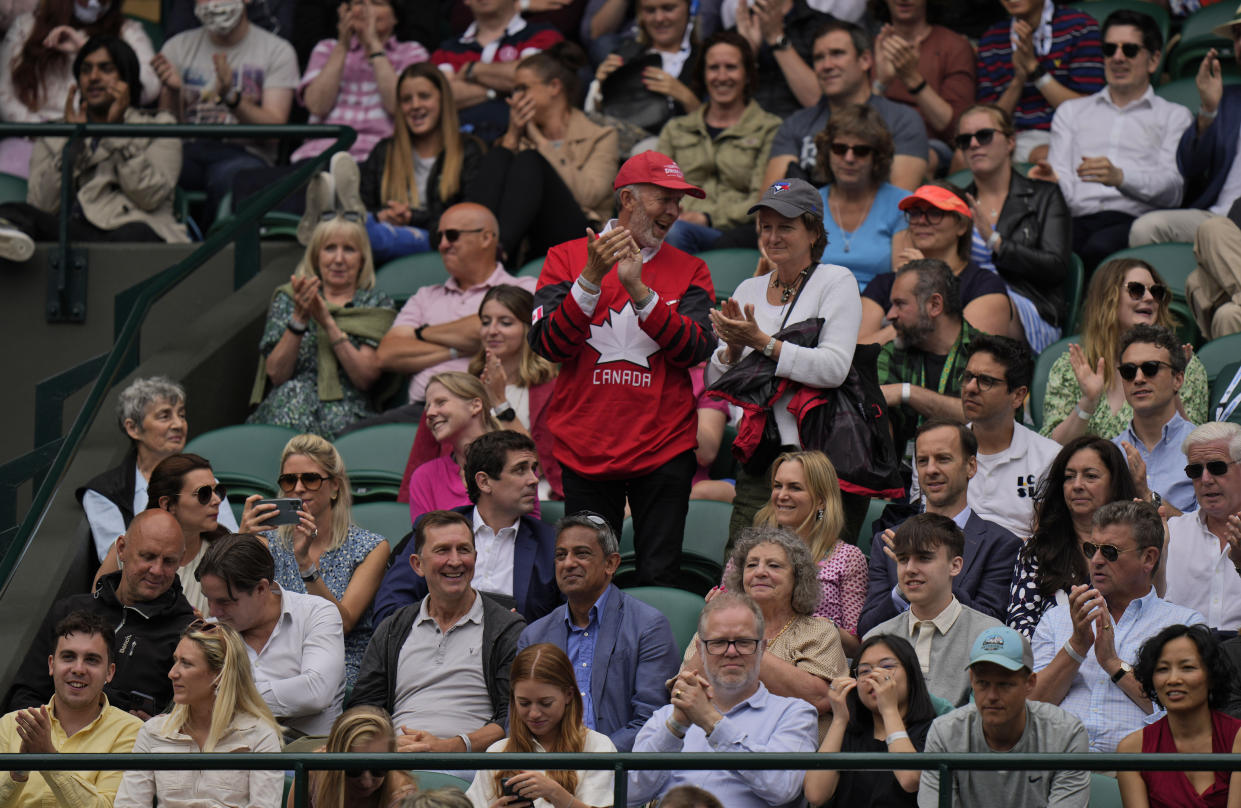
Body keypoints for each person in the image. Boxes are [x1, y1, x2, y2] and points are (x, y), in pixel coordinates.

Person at [528, 151, 716, 587]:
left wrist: (639, 290)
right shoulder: (566, 258)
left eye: (679, 201)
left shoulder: (692, 269)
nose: (673, 210)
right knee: (586, 579)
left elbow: (695, 347)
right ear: (627, 198)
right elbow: (548, 344)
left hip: (664, 449)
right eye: (663, 198)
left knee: (659, 576)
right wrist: (591, 278)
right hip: (586, 448)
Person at [704, 178, 860, 541]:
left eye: (785, 227)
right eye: (766, 227)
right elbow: (717, 381)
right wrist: (732, 350)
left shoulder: (836, 281)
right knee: (745, 568)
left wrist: (761, 341)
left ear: (813, 232)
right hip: (759, 459)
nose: (772, 237)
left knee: (816, 575)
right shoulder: (748, 289)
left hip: (818, 459)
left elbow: (834, 368)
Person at [1031, 500, 1206, 752]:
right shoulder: (1057, 619)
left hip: (1136, 773)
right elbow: (1030, 707)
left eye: (1110, 551)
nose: (1097, 561)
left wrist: (1113, 664)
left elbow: (1183, 713)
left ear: (1148, 558)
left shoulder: (1183, 625)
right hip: (1058, 768)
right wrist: (1076, 648)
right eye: (1092, 549)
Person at [349, 510, 526, 755]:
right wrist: (384, 745)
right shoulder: (393, 629)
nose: (455, 561)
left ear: (475, 559)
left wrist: (451, 746)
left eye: (463, 550)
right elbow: (363, 708)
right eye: (442, 550)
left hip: (469, 765)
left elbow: (515, 716)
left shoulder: (507, 628)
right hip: (392, 761)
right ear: (417, 564)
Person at [0, 36, 184, 263]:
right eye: (86, 70)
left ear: (126, 78)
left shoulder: (160, 127)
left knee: (136, 233)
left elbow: (150, 197)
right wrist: (72, 142)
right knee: (12, 214)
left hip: (131, 234)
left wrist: (116, 134)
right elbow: (42, 205)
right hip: (74, 233)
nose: (93, 77)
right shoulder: (54, 133)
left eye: (106, 69)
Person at [1028, 10, 1189, 270]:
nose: (1117, 58)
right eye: (1109, 49)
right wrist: (1053, 183)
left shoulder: (1174, 116)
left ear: (1154, 60)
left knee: (1097, 248)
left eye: (1130, 50)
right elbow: (1065, 186)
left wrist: (1121, 178)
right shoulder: (1071, 112)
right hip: (1075, 218)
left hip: (1133, 220)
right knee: (1036, 245)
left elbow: (1174, 191)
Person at [627, 592, 820, 808]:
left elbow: (782, 788)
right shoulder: (666, 717)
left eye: (744, 642)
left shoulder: (795, 714)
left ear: (762, 648)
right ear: (700, 650)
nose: (731, 652)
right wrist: (675, 727)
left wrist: (711, 721)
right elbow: (629, 795)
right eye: (718, 642)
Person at [517, 511, 680, 751]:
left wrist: (591, 760)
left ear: (611, 563)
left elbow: (651, 720)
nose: (568, 563)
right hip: (546, 766)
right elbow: (518, 719)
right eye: (561, 555)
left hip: (618, 768)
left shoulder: (648, 627)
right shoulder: (534, 635)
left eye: (581, 553)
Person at [5, 510, 194, 716]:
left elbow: (190, 725)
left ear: (181, 560)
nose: (157, 570)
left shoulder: (188, 634)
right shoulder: (69, 610)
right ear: (121, 549)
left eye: (168, 561)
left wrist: (153, 731)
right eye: (147, 556)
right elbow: (26, 695)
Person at [239, 433, 389, 688]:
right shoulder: (267, 542)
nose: (298, 488)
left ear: (335, 486)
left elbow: (343, 624)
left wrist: (305, 564)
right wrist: (241, 541)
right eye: (289, 480)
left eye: (310, 479)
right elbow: (231, 608)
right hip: (273, 659)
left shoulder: (370, 547)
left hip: (339, 664)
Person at [375, 430, 557, 625]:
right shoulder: (436, 531)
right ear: (484, 482)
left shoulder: (551, 542)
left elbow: (573, 620)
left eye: (533, 468)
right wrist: (438, 622)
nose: (534, 480)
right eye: (520, 470)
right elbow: (389, 609)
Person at [861, 421, 1022, 638]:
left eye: (943, 459)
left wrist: (933, 580)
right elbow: (868, 630)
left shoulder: (1001, 544)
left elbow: (993, 627)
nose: (931, 470)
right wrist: (902, 591)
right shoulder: (889, 541)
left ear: (971, 466)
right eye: (922, 461)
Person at [402, 285, 561, 501]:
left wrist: (500, 403)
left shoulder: (554, 390)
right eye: (485, 322)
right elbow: (420, 461)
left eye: (505, 322)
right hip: (461, 497)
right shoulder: (459, 391)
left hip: (533, 499)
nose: (492, 330)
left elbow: (537, 466)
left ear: (528, 328)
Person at [688, 527, 847, 740]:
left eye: (774, 566)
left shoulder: (819, 631)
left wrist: (739, 640)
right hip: (713, 750)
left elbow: (818, 699)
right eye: (751, 565)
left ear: (797, 578)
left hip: (791, 754)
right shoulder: (714, 628)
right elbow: (684, 689)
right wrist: (722, 628)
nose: (759, 572)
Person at [247, 216, 397, 440]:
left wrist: (327, 321)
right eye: (329, 249)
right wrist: (299, 318)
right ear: (317, 256)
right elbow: (277, 375)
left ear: (362, 258)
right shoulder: (289, 299)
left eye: (348, 249)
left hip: (347, 415)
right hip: (286, 408)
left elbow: (365, 378)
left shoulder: (376, 305)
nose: (338, 259)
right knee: (291, 397)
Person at [151, 0, 299, 226]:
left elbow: (274, 129)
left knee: (231, 178)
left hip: (246, 155)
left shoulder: (278, 51)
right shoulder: (176, 47)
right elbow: (166, 129)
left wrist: (232, 97)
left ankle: (214, 254)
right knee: (154, 168)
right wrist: (172, 91)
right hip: (188, 150)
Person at [376, 203, 536, 408]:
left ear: (486, 238)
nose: (442, 245)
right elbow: (387, 354)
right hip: (421, 410)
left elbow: (477, 330)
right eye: (438, 237)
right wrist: (458, 350)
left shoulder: (523, 287)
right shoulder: (425, 296)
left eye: (452, 235)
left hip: (486, 408)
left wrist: (420, 333)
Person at [112, 621, 283, 808]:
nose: (172, 673)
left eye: (186, 663)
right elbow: (129, 805)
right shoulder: (153, 732)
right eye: (175, 661)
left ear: (220, 675)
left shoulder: (260, 736)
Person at [917, 625, 1091, 808]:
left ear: (1030, 683)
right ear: (971, 680)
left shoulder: (1067, 733)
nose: (992, 696)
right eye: (983, 683)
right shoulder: (944, 732)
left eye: (1005, 684)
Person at [1041, 258, 1210, 443]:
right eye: (1136, 290)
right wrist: (1088, 402)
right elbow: (1050, 449)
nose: (1149, 298)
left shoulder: (1182, 364)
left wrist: (1172, 390)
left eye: (1156, 292)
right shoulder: (1071, 366)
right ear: (1108, 298)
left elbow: (1194, 449)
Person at [476, 42, 617, 263]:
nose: (515, 98)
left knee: (531, 159)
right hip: (530, 241)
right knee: (512, 157)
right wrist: (512, 137)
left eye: (522, 88)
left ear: (554, 86)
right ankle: (486, 248)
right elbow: (490, 196)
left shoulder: (601, 136)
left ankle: (497, 254)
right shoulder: (517, 141)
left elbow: (589, 195)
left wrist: (540, 141)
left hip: (584, 240)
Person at [196, 533, 346, 738]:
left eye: (224, 602)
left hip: (308, 757)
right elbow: (195, 701)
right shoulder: (211, 632)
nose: (213, 612)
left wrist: (228, 697)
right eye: (209, 600)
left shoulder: (317, 613)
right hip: (233, 755)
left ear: (261, 588)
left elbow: (316, 692)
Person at [75, 376, 238, 565]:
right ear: (133, 428)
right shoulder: (104, 492)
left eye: (182, 415)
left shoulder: (207, 482)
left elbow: (229, 542)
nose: (178, 424)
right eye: (165, 416)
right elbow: (118, 563)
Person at [762, 20, 927, 193]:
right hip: (805, 217)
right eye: (819, 58)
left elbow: (898, 205)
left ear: (864, 60)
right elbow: (772, 197)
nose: (827, 65)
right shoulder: (796, 123)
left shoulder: (901, 120)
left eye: (837, 54)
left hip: (876, 218)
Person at [957, 104, 1071, 353]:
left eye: (984, 135)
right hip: (965, 300)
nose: (974, 144)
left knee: (991, 302)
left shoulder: (1044, 195)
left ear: (1010, 142)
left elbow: (1055, 267)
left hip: (1029, 305)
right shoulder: (958, 203)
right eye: (965, 140)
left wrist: (996, 241)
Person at [0, 611, 142, 808]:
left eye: (91, 660)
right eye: (68, 657)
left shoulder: (132, 731)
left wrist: (48, 758)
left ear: (109, 672)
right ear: (52, 665)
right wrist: (18, 771)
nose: (78, 669)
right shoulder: (10, 724)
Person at [0, 0, 157, 178]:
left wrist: (86, 48)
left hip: (96, 142)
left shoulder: (127, 30)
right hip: (31, 139)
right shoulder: (27, 25)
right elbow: (3, 94)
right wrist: (47, 132)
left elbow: (148, 88)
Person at [656, 32, 781, 255]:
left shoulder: (769, 128)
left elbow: (761, 199)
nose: (722, 77)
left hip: (734, 232)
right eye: (713, 68)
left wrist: (708, 217)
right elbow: (657, 190)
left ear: (748, 74)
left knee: (675, 233)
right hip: (676, 222)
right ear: (703, 74)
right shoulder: (676, 129)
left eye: (731, 67)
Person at [863, 512, 1005, 706]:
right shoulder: (876, 637)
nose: (910, 569)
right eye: (903, 559)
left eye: (923, 558)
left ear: (955, 566)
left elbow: (983, 724)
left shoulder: (991, 636)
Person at [1007, 436, 1140, 638]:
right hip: (1049, 664)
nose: (1077, 485)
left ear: (1114, 483)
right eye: (1069, 477)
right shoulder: (1038, 549)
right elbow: (1020, 627)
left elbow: (1146, 612)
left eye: (1090, 476)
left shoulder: (1134, 547)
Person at [733, 452, 862, 658]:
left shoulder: (848, 557)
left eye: (795, 487)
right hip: (752, 659)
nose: (782, 495)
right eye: (777, 486)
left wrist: (822, 626)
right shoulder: (752, 550)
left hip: (816, 662)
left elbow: (856, 647)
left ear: (821, 501)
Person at [357, 63, 484, 264]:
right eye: (407, 99)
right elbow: (363, 204)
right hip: (383, 230)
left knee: (368, 235)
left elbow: (468, 217)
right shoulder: (385, 150)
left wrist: (412, 218)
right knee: (353, 226)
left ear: (443, 100)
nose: (415, 105)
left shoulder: (468, 150)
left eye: (424, 96)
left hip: (437, 242)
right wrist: (384, 215)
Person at [1131, 20, 1241, 248]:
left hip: (1222, 228)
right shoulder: (1228, 98)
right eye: (1238, 36)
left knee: (1197, 282)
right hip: (1220, 218)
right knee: (1147, 228)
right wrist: (1208, 112)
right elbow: (1190, 167)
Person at [465, 643, 616, 808]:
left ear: (568, 695)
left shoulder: (598, 747)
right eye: (524, 703)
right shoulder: (497, 752)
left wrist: (556, 794)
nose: (534, 713)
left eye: (545, 703)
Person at [863, 184, 1016, 345]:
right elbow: (857, 351)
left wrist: (926, 282)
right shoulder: (883, 283)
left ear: (962, 225)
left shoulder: (985, 285)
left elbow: (972, 354)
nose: (921, 221)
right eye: (915, 213)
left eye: (935, 213)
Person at [803, 634, 938, 808]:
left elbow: (910, 780)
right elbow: (815, 795)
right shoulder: (850, 733)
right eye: (864, 671)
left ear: (911, 673)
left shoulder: (933, 730)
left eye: (887, 667)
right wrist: (839, 720)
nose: (874, 676)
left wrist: (889, 710)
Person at [1117, 624, 1241, 807]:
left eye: (1187, 667)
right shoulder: (1132, 748)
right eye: (1162, 669)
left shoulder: (1237, 738)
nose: (1173, 679)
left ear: (1212, 676)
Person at [291, 0, 428, 166]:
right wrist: (343, 45)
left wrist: (374, 44)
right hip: (321, 153)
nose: (366, 10)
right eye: (359, 2)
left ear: (395, 17)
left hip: (383, 155)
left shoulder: (412, 52)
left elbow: (397, 105)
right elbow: (317, 106)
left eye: (377, 3)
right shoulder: (326, 48)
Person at [93, 453, 229, 615]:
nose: (217, 500)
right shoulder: (127, 547)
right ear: (167, 504)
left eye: (218, 491)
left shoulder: (223, 553)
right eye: (204, 494)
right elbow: (95, 612)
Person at [956, 335, 1062, 538]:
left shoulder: (1049, 457)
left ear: (1018, 396)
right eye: (968, 376)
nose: (970, 388)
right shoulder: (939, 450)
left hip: (1014, 565)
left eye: (986, 381)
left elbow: (1045, 544)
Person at [974, 0, 1103, 164]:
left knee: (1043, 156)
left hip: (1063, 135)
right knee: (961, 158)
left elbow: (1088, 112)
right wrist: (1019, 79)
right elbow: (987, 123)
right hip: (1006, 137)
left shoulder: (1080, 28)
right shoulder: (991, 39)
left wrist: (1034, 69)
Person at [874, 259, 979, 454]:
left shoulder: (985, 354)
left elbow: (993, 418)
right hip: (903, 477)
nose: (890, 315)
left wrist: (908, 393)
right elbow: (875, 412)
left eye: (900, 304)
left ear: (934, 305)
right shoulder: (892, 353)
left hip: (977, 476)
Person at [429, 0, 563, 143]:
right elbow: (439, 97)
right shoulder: (446, 51)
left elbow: (534, 82)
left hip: (524, 145)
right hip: (461, 148)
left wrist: (472, 69)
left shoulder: (544, 34)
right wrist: (497, 90)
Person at [870, 0, 975, 171]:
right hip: (876, 142)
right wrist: (881, 83)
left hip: (932, 145)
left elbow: (957, 130)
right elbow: (857, 123)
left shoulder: (954, 46)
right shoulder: (872, 47)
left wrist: (912, 78)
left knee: (918, 157)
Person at [814, 104, 908, 292]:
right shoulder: (809, 204)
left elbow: (902, 279)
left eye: (861, 150)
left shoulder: (901, 204)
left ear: (877, 157)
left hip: (879, 310)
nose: (849, 158)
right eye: (840, 148)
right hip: (817, 309)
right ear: (827, 152)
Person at [1163, 422, 1241, 632]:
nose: (1205, 479)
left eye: (1217, 467)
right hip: (1184, 655)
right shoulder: (1172, 534)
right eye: (1195, 471)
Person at [1112, 325, 1197, 513]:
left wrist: (1147, 494)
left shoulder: (1202, 449)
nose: (1139, 378)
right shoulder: (1110, 453)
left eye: (1151, 368)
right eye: (1129, 371)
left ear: (1178, 379)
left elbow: (1207, 533)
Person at [587, 0, 699, 135]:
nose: (659, 18)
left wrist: (685, 96)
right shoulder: (624, 54)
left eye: (668, 9)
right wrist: (601, 88)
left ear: (688, 9)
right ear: (640, 15)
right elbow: (598, 120)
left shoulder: (705, 58)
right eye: (650, 10)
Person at [404, 372, 501, 523]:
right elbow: (424, 541)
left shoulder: (514, 464)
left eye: (441, 402)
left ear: (475, 405)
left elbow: (528, 532)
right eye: (427, 407)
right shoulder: (425, 477)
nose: (429, 413)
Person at [300, 706, 416, 808]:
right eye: (354, 768)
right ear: (334, 759)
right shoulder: (312, 773)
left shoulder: (401, 793)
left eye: (379, 767)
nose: (367, 782)